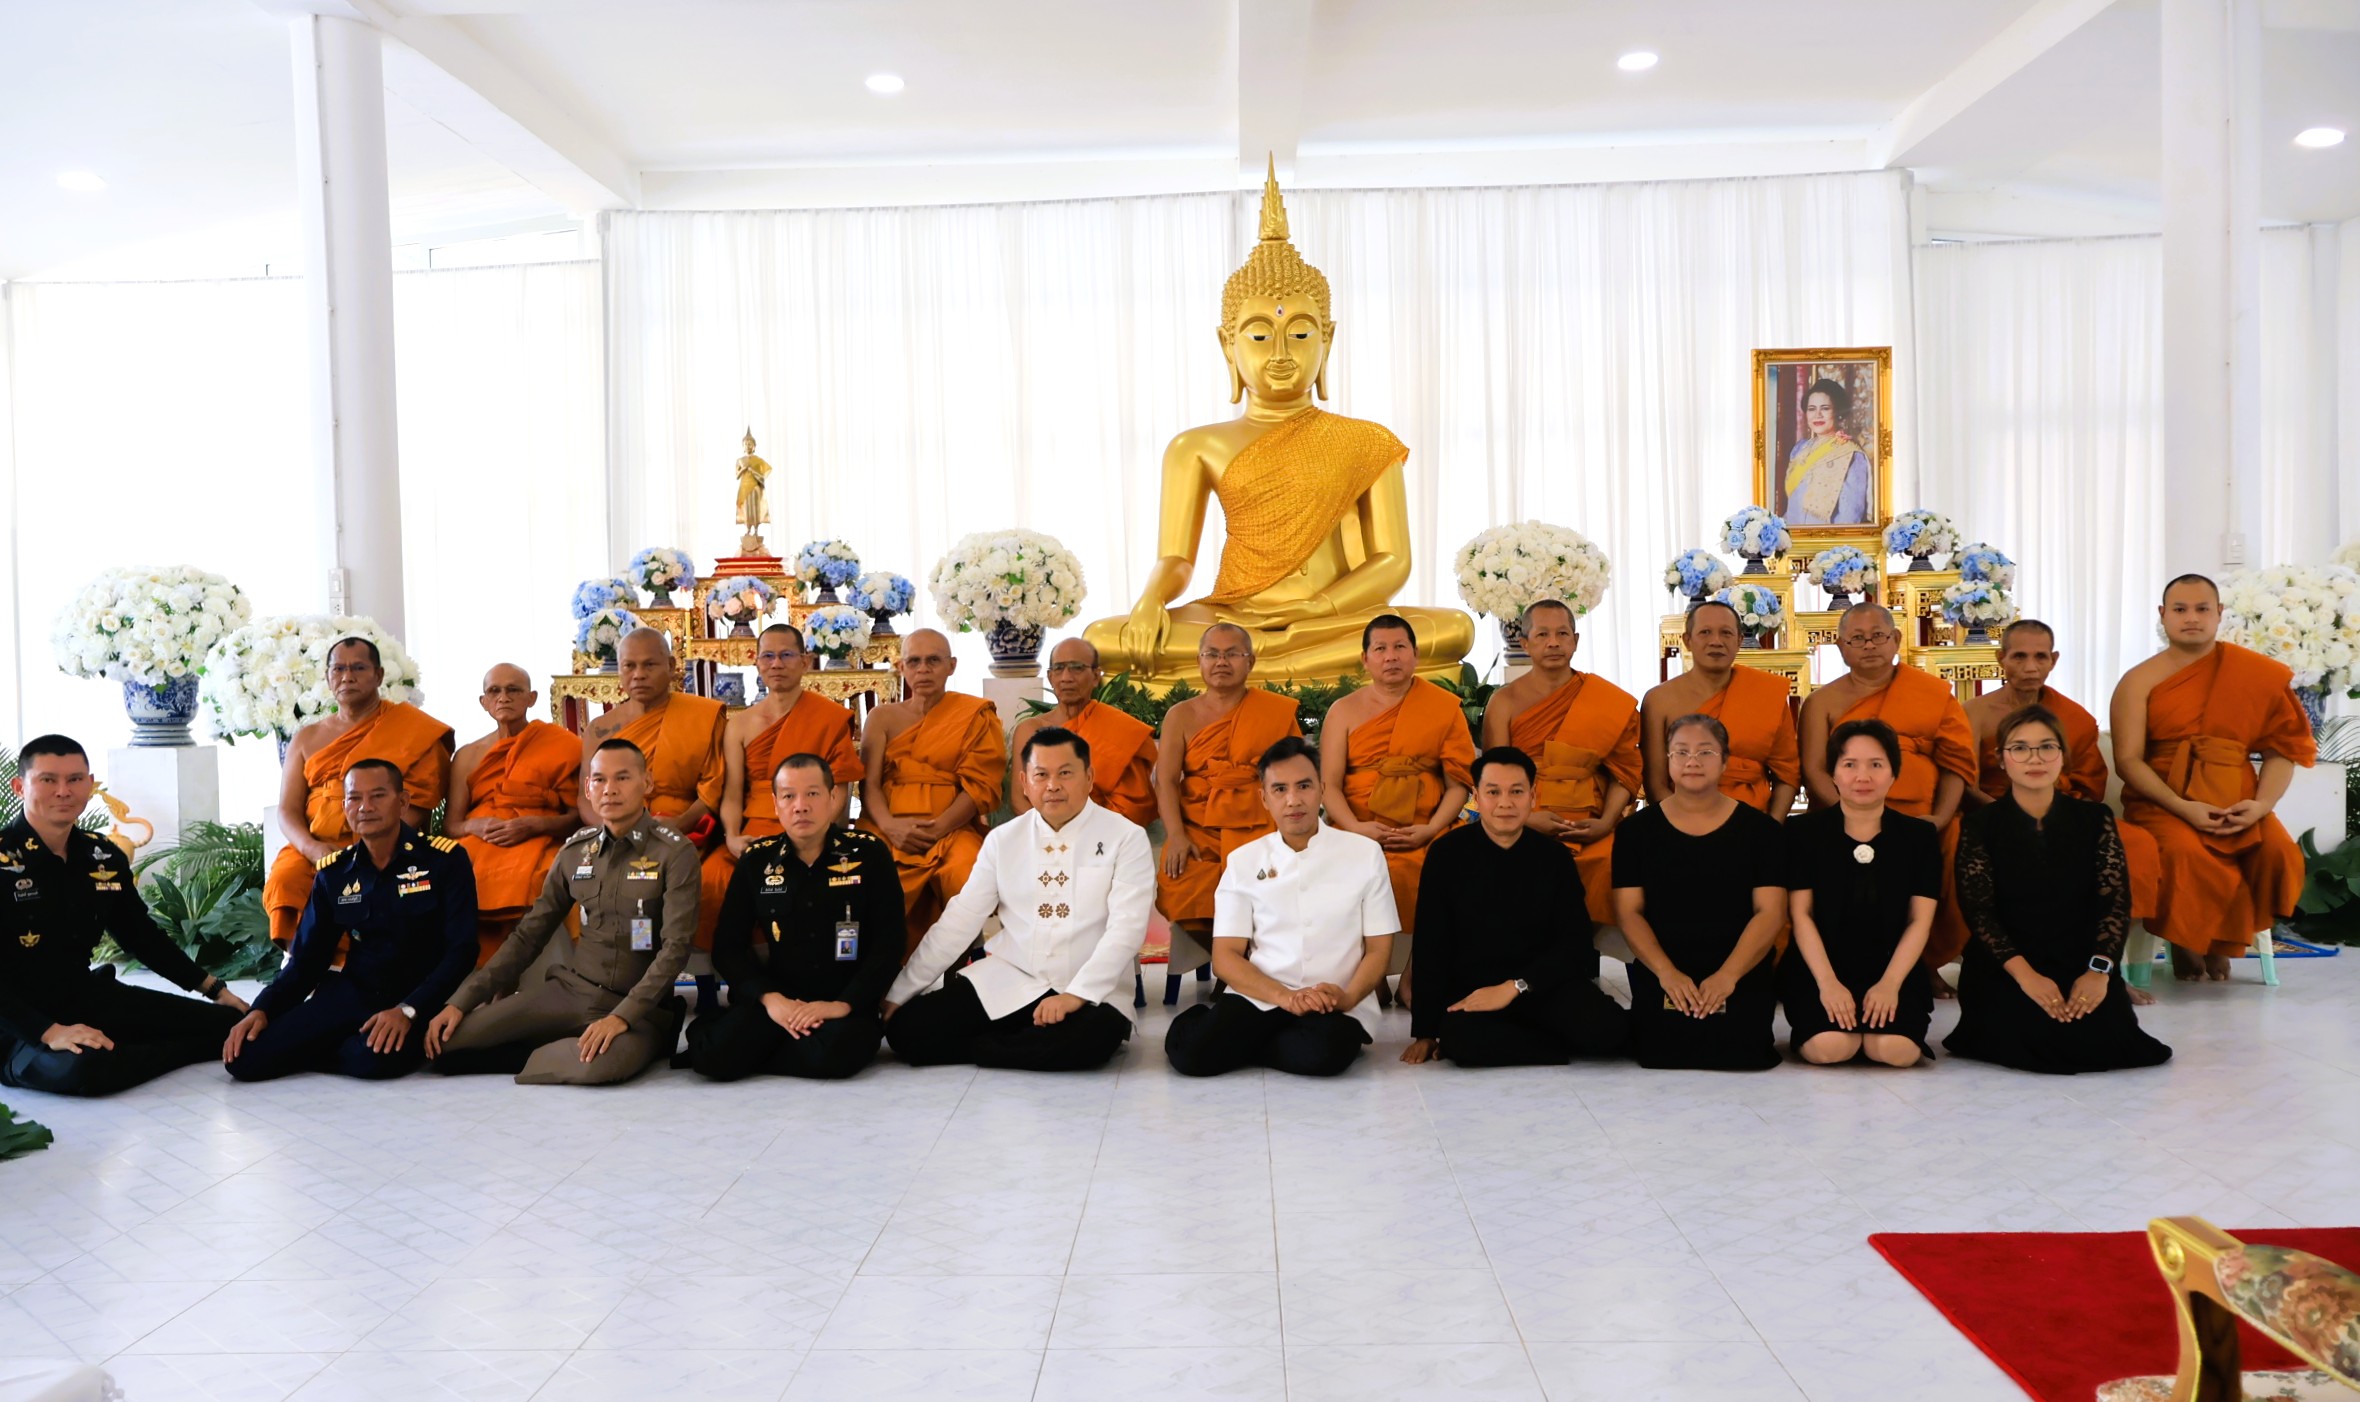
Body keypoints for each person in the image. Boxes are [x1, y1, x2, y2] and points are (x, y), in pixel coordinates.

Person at [1080, 159, 1474, 684]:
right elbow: (1176, 557)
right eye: (1261, 336)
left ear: (1328, 340)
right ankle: (1271, 662)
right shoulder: (1195, 446)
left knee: (1450, 629)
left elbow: (1391, 562)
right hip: (1231, 617)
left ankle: (1261, 664)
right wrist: (1151, 599)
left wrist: (1316, 611)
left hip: (1335, 617)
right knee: (1102, 641)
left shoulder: (1365, 441)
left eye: (1302, 334)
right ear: (1228, 345)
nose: (1282, 352)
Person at [425, 740, 698, 1085]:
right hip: (570, 992)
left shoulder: (674, 852)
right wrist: (463, 1001)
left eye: (623, 778)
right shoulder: (575, 852)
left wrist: (622, 1018)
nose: (609, 790)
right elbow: (528, 935)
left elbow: (676, 949)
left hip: (636, 1008)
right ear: (588, 788)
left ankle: (594, 1045)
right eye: (599, 780)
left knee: (595, 1066)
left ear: (647, 783)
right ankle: (555, 1047)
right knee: (449, 1041)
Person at [882, 727, 1150, 1071]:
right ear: (1025, 783)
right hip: (1014, 976)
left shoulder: (1125, 837)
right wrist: (900, 992)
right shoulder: (1002, 840)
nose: (1053, 785)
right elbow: (961, 917)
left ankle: (996, 1044)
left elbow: (1126, 929)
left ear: (1089, 777)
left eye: (1065, 773)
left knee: (1089, 1043)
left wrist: (1076, 995)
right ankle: (1019, 1041)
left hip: (1090, 985)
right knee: (908, 1032)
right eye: (1041, 775)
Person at [0, 736, 247, 1096]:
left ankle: (126, 1049)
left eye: (75, 779)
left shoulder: (102, 856)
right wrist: (50, 1032)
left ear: (90, 784)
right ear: (20, 786)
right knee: (87, 1069)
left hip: (83, 998)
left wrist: (212, 988)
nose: (63, 791)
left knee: (233, 1024)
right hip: (15, 1023)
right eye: (48, 780)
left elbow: (141, 937)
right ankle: (129, 1050)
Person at [2111, 574, 2316, 982]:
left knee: (2276, 852)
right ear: (2162, 615)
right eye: (2180, 609)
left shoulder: (2253, 673)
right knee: (2186, 854)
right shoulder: (2139, 681)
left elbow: (2282, 751)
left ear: (2219, 613)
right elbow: (2128, 761)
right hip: (2164, 801)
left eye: (2202, 609)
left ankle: (2224, 941)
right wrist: (2184, 808)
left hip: (2238, 798)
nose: (2192, 618)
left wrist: (2261, 805)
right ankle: (2191, 943)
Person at [1945, 706, 2172, 1073]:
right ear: (2001, 760)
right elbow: (1980, 912)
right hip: (2008, 965)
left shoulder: (2095, 819)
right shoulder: (1979, 825)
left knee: (2110, 1045)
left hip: (2081, 960)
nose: (2034, 758)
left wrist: (2098, 973)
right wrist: (2028, 978)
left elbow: (2114, 903)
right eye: (2019, 748)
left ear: (2062, 757)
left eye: (2046, 747)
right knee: (2039, 1043)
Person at [223, 760, 477, 1081]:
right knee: (245, 1058)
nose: (365, 807)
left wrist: (409, 1010)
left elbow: (462, 950)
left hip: (416, 997)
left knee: (372, 1062)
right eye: (354, 798)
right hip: (354, 993)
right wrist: (263, 1009)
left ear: (403, 802)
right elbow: (306, 961)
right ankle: (339, 1043)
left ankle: (334, 1047)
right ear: (344, 806)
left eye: (378, 796)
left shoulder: (443, 860)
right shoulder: (335, 873)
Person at [1166, 737, 1396, 1076]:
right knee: (1192, 1057)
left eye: (1304, 786)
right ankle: (1237, 1030)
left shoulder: (1364, 854)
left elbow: (1378, 950)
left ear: (1322, 788)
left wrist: (1347, 999)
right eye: (1279, 789)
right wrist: (1284, 998)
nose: (1293, 800)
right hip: (1260, 994)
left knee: (1325, 1056)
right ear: (1264, 798)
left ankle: (1249, 1045)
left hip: (1331, 1000)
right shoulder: (1244, 861)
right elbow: (1226, 956)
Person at [1964, 619, 2161, 994]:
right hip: (1991, 815)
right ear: (2000, 658)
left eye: (2040, 657)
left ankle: (2105, 971)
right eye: (2019, 656)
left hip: (2061, 814)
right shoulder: (1975, 712)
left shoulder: (2074, 717)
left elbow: (2089, 783)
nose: (2030, 666)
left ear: (2054, 660)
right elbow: (1966, 782)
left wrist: (2055, 818)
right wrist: (2009, 817)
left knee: (2135, 845)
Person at [1402, 748, 1628, 1068]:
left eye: (1516, 791)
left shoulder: (1555, 858)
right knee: (1460, 1040)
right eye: (1493, 792)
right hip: (1477, 989)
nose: (1505, 803)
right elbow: (1431, 944)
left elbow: (1575, 945)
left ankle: (1530, 1040)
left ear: (1533, 796)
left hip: (1541, 986)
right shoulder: (1447, 855)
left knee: (1608, 1028)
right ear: (1476, 797)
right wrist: (1424, 1031)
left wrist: (1516, 987)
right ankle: (1557, 1046)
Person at [687, 753, 904, 1081]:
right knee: (713, 1058)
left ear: (833, 798)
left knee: (834, 1055)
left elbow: (889, 943)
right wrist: (771, 1000)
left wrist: (843, 1004)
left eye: (812, 794)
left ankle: (764, 1051)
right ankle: (770, 1042)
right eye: (789, 796)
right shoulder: (757, 861)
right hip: (779, 1000)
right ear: (776, 804)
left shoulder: (869, 853)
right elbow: (728, 948)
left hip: (842, 1003)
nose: (800, 805)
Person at [1799, 602, 1976, 989]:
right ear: (1841, 647)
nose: (1869, 646)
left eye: (1878, 636)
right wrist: (1857, 817)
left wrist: (1941, 819)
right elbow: (1814, 770)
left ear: (1895, 639)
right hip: (1844, 816)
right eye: (1857, 639)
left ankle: (1926, 965)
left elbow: (1955, 764)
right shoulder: (1821, 702)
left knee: (1952, 848)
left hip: (1924, 818)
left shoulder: (1932, 693)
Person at [1611, 716, 1785, 1071]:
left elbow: (1770, 913)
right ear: (1667, 761)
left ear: (1724, 760)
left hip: (1738, 969)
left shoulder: (1761, 831)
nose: (1692, 761)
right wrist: (1666, 973)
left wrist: (1727, 977)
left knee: (1742, 1051)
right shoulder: (1635, 832)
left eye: (1705, 752)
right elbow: (1629, 913)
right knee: (1662, 1050)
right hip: (1666, 970)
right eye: (1681, 752)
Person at [264, 636, 453, 946]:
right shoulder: (306, 738)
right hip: (319, 844)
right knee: (286, 881)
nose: (347, 677)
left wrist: (366, 852)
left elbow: (417, 807)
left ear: (378, 675)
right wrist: (313, 850)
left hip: (384, 844)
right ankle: (304, 966)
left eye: (358, 668)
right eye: (338, 669)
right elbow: (287, 810)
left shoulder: (412, 729)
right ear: (327, 678)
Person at [1322, 614, 1474, 990]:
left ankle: (1416, 971)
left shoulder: (1443, 707)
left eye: (1400, 647)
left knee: (1450, 867)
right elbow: (1329, 786)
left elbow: (1459, 786)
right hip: (1357, 828)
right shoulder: (1343, 710)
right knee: (1352, 870)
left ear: (1416, 654)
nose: (1391, 656)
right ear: (1365, 659)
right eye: (1381, 649)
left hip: (1427, 827)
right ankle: (1367, 974)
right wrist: (1357, 830)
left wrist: (1430, 829)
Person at [1782, 719, 1941, 1067]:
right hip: (1821, 965)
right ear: (1833, 773)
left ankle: (1880, 1016)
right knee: (1831, 1048)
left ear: (1893, 773)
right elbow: (1801, 915)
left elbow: (1919, 921)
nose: (1862, 776)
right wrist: (1827, 984)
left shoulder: (1919, 836)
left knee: (1895, 1052)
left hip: (1892, 964)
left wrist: (1890, 984)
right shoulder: (1803, 832)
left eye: (1876, 765)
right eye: (1849, 764)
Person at [699, 624, 864, 954]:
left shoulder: (827, 717)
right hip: (754, 832)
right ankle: (733, 974)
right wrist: (731, 837)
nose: (777, 664)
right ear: (757, 663)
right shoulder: (740, 725)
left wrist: (820, 837)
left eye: (787, 655)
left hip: (812, 827)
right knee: (711, 879)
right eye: (768, 656)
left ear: (805, 662)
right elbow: (732, 793)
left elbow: (840, 792)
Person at [1152, 623, 1303, 977]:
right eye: (1212, 654)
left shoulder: (1273, 711)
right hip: (1198, 828)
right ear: (1199, 661)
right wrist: (1175, 834)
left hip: (1261, 826)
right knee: (1179, 889)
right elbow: (1167, 782)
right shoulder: (1181, 715)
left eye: (1232, 653)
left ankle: (1243, 975)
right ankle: (1238, 969)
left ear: (1250, 661)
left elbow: (1295, 776)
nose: (1222, 662)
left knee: (1273, 890)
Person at [1479, 599, 1642, 924]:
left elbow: (1624, 773)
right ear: (1524, 643)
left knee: (1618, 863)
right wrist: (1525, 820)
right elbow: (1493, 779)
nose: (1553, 642)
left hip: (1590, 821)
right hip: (1521, 820)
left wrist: (1606, 823)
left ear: (1576, 640)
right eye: (1542, 635)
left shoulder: (1605, 699)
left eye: (1562, 633)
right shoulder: (1504, 703)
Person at [858, 628, 1007, 949]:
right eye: (914, 661)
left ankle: (958, 969)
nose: (923, 670)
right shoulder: (881, 717)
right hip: (888, 825)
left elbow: (979, 786)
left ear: (951, 665)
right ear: (901, 667)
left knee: (965, 872)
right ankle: (884, 975)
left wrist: (940, 827)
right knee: (869, 880)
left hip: (951, 827)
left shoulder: (974, 714)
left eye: (933, 661)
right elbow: (868, 785)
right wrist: (890, 827)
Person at [581, 627, 727, 943]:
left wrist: (672, 826)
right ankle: (610, 976)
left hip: (683, 831)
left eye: (650, 665)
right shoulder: (602, 728)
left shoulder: (702, 715)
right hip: (615, 834)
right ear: (618, 671)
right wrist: (616, 834)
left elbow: (712, 789)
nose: (639, 675)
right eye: (629, 666)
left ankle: (696, 980)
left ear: (672, 667)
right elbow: (587, 796)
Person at [446, 664, 580, 965]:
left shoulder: (564, 745)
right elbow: (452, 825)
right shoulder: (467, 755)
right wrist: (475, 825)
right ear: (483, 702)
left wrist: (535, 825)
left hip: (542, 837)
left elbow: (578, 817)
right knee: (456, 873)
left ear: (532, 698)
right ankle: (472, 974)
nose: (503, 697)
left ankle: (542, 974)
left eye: (513, 690)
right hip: (482, 838)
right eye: (494, 691)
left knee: (547, 874)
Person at [1641, 600, 1799, 817]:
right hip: (1681, 824)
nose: (1716, 641)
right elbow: (1655, 784)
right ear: (1687, 641)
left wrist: (1770, 829)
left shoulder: (1766, 693)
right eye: (1705, 632)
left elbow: (1787, 775)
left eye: (1726, 633)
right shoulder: (1659, 700)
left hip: (1752, 822)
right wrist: (1689, 827)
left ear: (1739, 640)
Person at [1011, 639, 1158, 827]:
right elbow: (1019, 799)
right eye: (1059, 669)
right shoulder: (1031, 729)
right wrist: (1055, 834)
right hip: (1044, 837)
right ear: (1050, 677)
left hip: (1104, 837)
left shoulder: (1120, 729)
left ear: (1096, 676)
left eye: (1077, 668)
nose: (1066, 677)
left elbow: (1133, 805)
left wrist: (1088, 836)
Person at [1781, 377, 1872, 526]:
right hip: (1794, 540)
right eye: (1812, 409)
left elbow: (1850, 515)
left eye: (1825, 408)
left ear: (1838, 412)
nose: (1818, 415)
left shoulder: (1851, 454)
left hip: (1829, 543)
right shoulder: (1799, 449)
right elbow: (1793, 505)